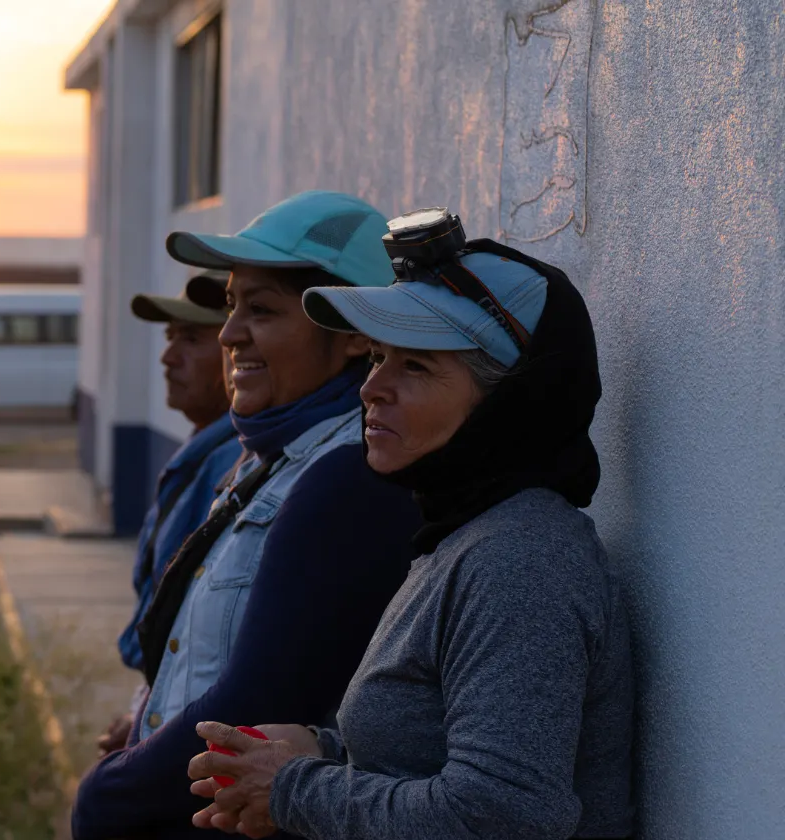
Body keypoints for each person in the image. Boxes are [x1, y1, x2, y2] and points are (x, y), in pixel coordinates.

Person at [184, 223, 634, 840]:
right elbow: (429, 755)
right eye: (376, 356)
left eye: (416, 365)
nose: (372, 388)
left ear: (508, 402)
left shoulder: (523, 562)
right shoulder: (465, 536)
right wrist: (322, 751)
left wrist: (292, 788)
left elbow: (503, 814)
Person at [71, 191, 424, 840]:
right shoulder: (270, 460)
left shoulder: (348, 477)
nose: (230, 334)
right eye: (232, 307)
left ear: (352, 335)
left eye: (260, 311)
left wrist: (106, 794)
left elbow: (258, 704)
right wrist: (145, 728)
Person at [96, 272, 242, 754]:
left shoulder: (231, 467)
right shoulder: (203, 452)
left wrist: (149, 718)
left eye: (192, 339)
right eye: (169, 337)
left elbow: (202, 635)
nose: (167, 357)